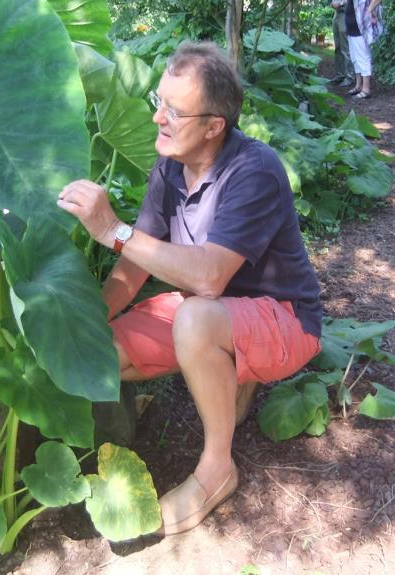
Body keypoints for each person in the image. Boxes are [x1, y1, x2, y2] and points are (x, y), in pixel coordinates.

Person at [57, 41, 323, 536]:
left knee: (196, 318)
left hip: (282, 318)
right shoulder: (169, 165)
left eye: (174, 111)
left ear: (213, 126)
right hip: (207, 310)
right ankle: (228, 378)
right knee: (104, 352)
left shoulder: (254, 170)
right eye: (159, 102)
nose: (158, 118)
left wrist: (111, 230)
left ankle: (216, 470)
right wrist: (87, 327)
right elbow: (134, 268)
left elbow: (208, 277)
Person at [344, 0, 385, 100]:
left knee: (363, 56)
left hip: (361, 27)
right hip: (352, 27)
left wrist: (370, 10)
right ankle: (358, 85)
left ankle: (366, 89)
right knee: (355, 57)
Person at [328, 0, 359, 87]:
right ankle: (340, 74)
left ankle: (350, 76)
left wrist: (340, 3)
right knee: (338, 46)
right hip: (338, 14)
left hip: (345, 14)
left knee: (346, 46)